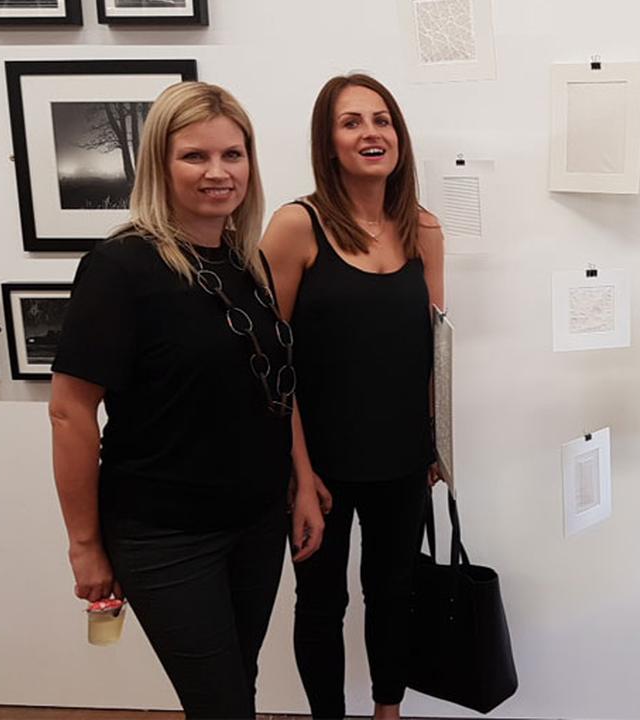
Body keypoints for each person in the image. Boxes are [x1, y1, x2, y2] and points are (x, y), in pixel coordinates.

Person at [49, 81, 295, 719]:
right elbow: (70, 410)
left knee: (240, 683)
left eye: (233, 155)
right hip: (166, 536)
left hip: (257, 524)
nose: (218, 172)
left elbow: (270, 389)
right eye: (195, 157)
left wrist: (299, 483)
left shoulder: (247, 262)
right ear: (160, 163)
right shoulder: (119, 267)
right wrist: (85, 545)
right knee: (220, 703)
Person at [260, 73, 444, 720]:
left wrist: (437, 443)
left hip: (401, 459)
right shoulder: (295, 227)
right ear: (328, 141)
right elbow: (269, 363)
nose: (371, 133)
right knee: (321, 604)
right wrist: (299, 476)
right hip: (322, 468)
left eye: (382, 119)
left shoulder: (422, 228)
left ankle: (387, 712)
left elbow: (434, 351)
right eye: (351, 122)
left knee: (394, 593)